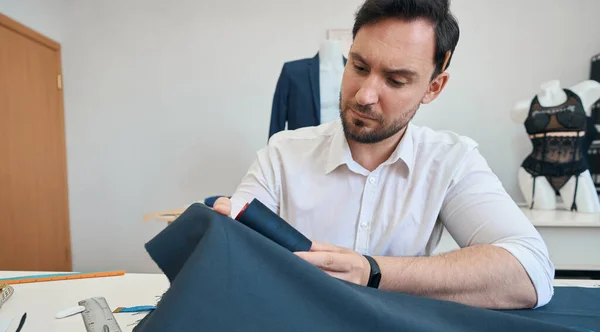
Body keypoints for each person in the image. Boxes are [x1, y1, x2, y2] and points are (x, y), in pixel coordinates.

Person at [214, 0, 554, 310]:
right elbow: (228, 263)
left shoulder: (451, 161)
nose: (364, 96)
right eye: (359, 67)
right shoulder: (282, 155)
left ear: (433, 88)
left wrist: (373, 272)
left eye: (395, 80)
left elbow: (532, 271)